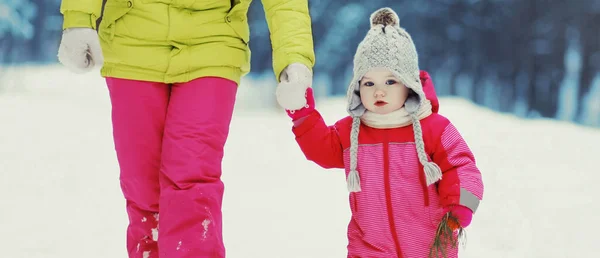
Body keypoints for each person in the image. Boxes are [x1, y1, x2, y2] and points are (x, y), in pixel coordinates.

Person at [56, 0, 315, 257]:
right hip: (132, 40)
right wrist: (78, 16)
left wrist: (294, 57)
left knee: (193, 178)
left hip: (214, 42)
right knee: (143, 188)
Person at [278, 7, 484, 258]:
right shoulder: (352, 131)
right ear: (356, 87)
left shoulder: (433, 128)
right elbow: (321, 149)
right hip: (369, 247)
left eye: (390, 81)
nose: (379, 91)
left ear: (408, 85)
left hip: (429, 246)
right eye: (368, 83)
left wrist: (461, 205)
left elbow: (461, 166)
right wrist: (302, 115)